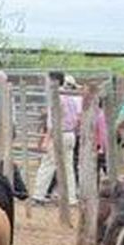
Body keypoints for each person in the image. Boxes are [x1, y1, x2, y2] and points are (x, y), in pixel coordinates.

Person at [34, 72, 82, 205]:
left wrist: (46, 139)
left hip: (58, 134)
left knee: (48, 164)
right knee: (68, 167)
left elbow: (52, 121)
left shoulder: (56, 97)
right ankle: (71, 197)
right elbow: (78, 117)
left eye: (48, 80)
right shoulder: (71, 97)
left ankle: (39, 195)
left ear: (54, 81)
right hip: (70, 134)